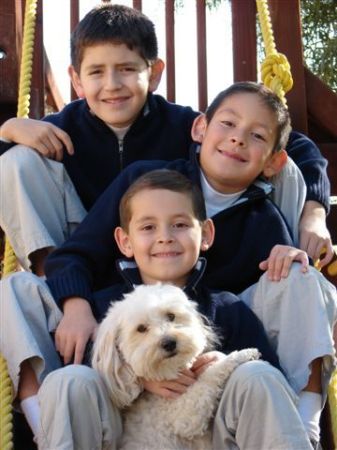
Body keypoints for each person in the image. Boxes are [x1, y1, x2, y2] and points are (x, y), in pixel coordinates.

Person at [42, 82, 337, 445]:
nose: (238, 139)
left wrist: (295, 246)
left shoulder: (261, 225)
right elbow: (75, 257)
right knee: (65, 373)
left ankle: (303, 421)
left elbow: (262, 359)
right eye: (227, 124)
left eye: (181, 225)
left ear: (205, 235)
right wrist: (78, 308)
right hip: (123, 414)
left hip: (214, 400)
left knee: (293, 296)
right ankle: (39, 413)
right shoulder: (145, 184)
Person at [0, 4, 333, 275]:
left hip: (167, 254)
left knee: (281, 163)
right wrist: (9, 130)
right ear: (77, 79)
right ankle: (54, 283)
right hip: (84, 250)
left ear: (154, 73)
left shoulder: (183, 125)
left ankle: (286, 273)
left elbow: (298, 146)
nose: (113, 84)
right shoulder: (62, 128)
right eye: (97, 72)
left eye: (127, 69)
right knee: (16, 160)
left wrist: (314, 213)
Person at [2, 170, 313, 449]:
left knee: (257, 374)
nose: (165, 236)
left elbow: (272, 383)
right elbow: (89, 372)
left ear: (205, 234)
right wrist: (140, 378)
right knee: (69, 380)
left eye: (179, 225)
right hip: (119, 434)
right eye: (148, 227)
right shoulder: (102, 309)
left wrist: (226, 366)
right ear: (125, 242)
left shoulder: (225, 308)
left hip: (212, 436)